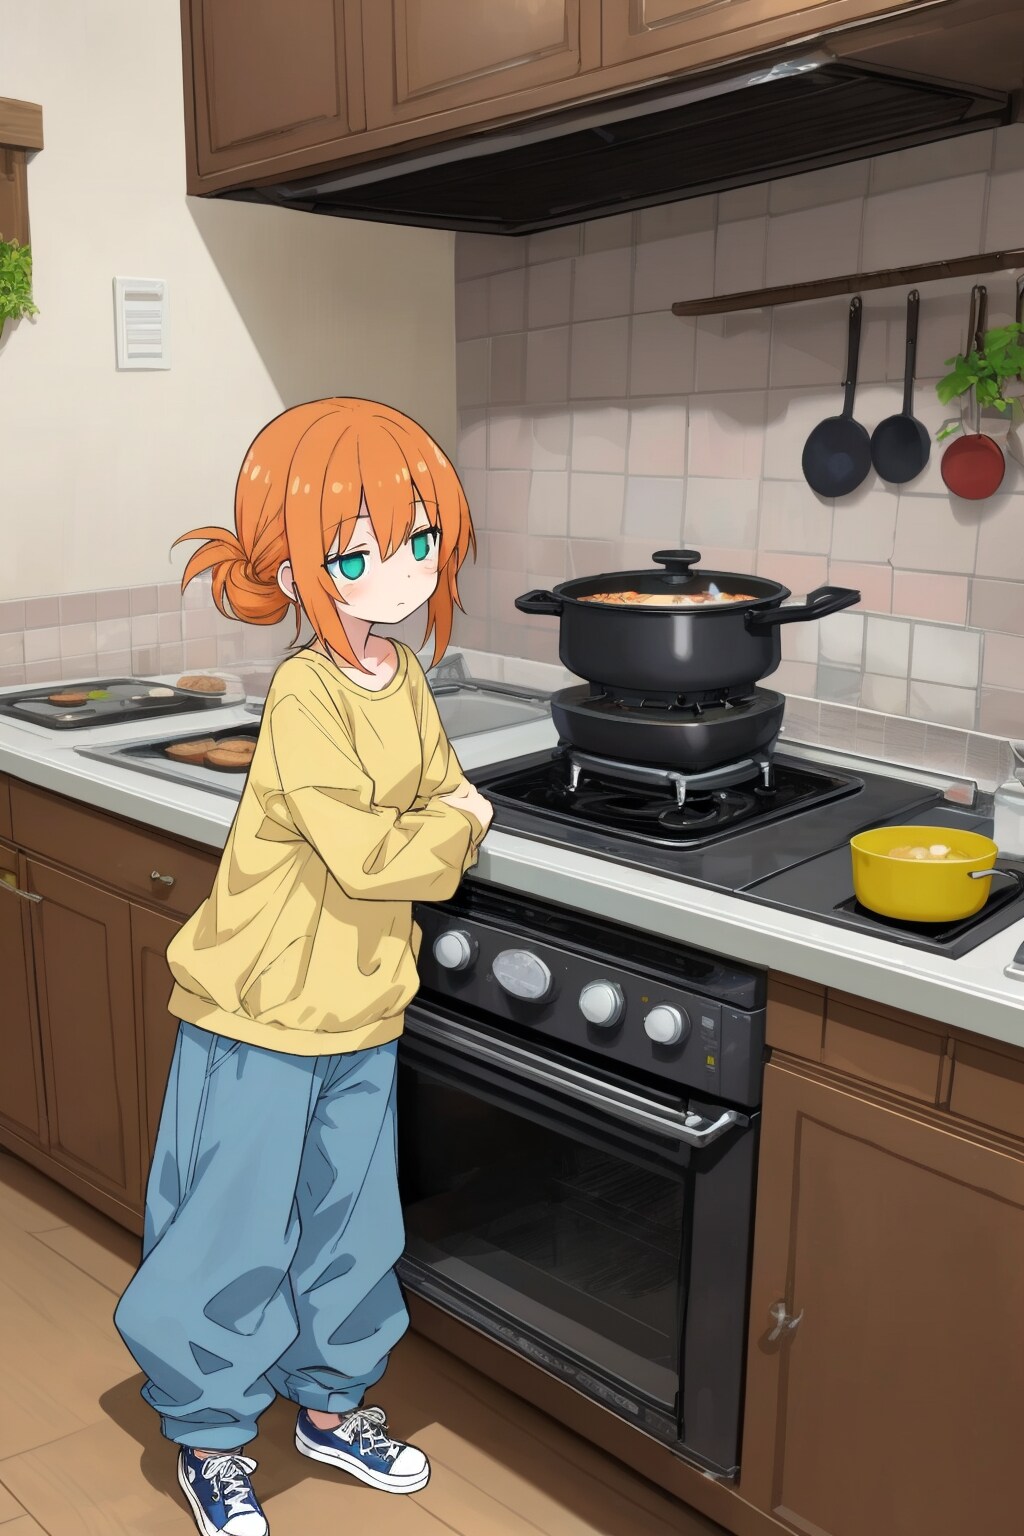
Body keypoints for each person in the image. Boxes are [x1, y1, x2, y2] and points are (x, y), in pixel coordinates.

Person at [113, 397, 494, 1536]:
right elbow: (377, 849)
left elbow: (441, 787)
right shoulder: (302, 693)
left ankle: (330, 1407)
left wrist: (445, 814)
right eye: (359, 553)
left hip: (366, 1007)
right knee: (228, 1236)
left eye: (419, 539)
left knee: (352, 1228)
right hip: (260, 1013)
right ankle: (209, 1437)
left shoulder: (404, 675)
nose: (402, 571)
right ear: (294, 568)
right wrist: (456, 826)